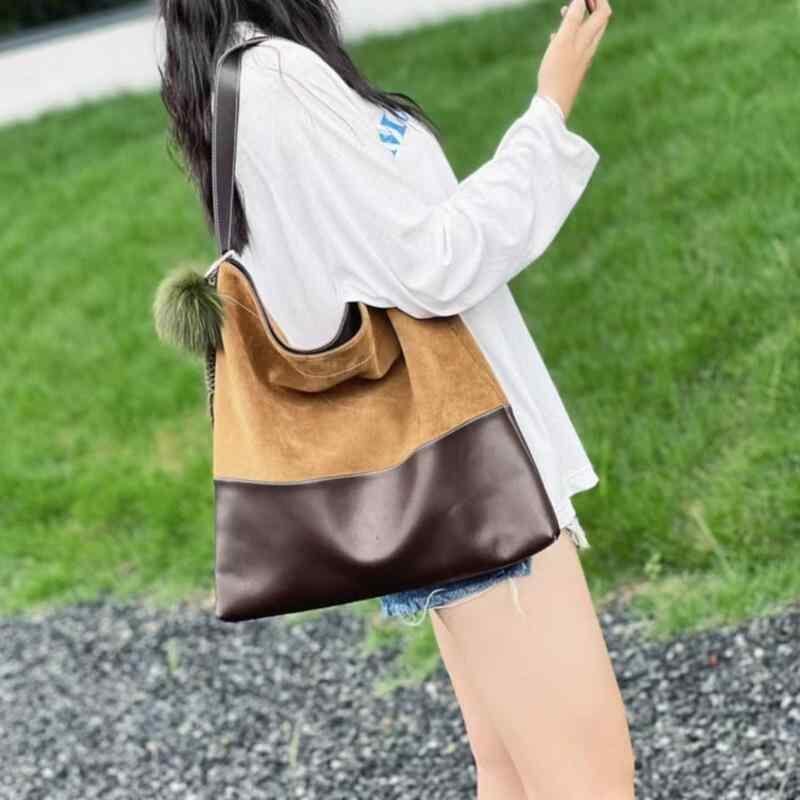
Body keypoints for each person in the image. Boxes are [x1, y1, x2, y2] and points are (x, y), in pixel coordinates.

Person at [158, 0, 634, 797]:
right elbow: (433, 264)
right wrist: (549, 108)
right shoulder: (277, 79)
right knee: (588, 780)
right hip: (475, 478)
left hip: (450, 476)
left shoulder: (249, 73)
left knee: (514, 774)